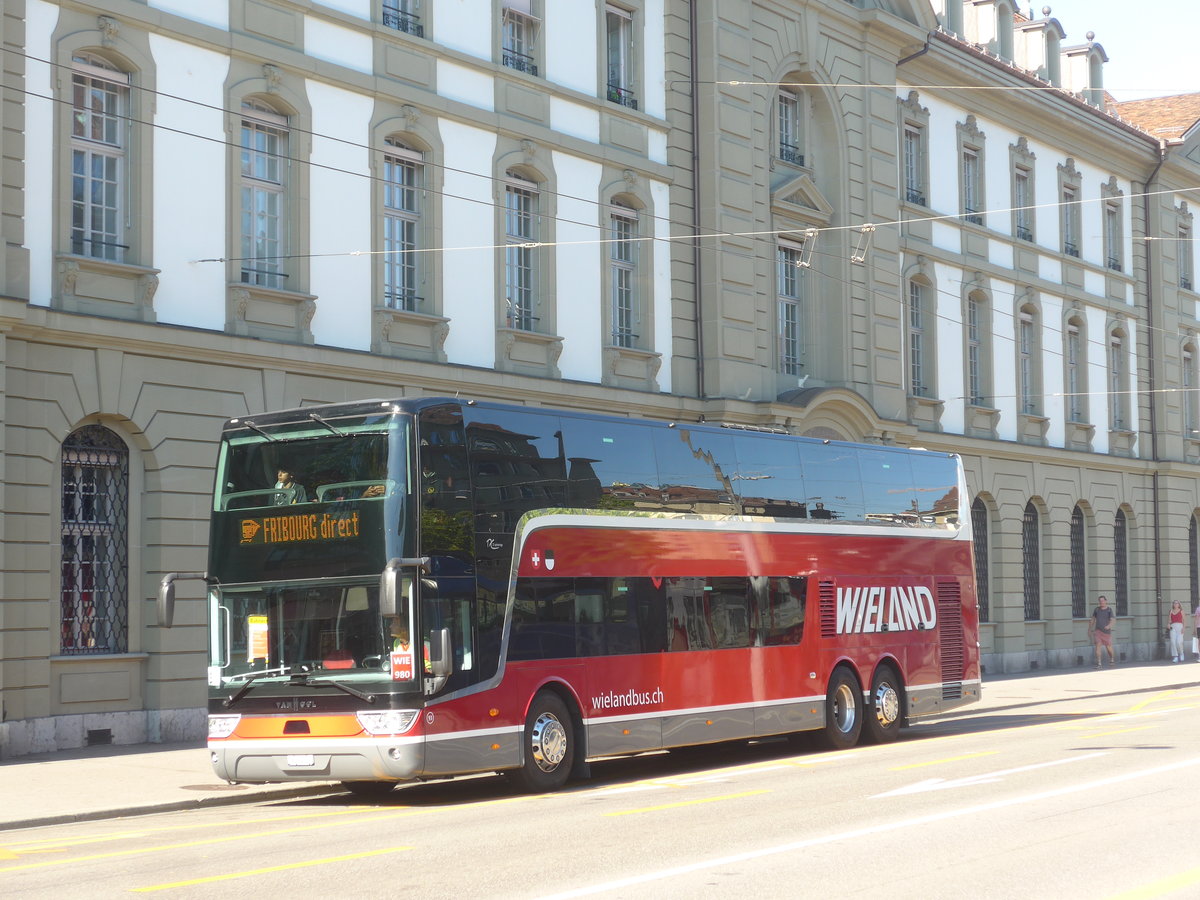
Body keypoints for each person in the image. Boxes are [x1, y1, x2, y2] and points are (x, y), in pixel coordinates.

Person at [1088, 595, 1116, 668]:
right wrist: (1089, 629)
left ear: (1106, 601)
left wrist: (1109, 626)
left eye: (1103, 601)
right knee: (1098, 646)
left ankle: (1112, 659)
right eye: (1100, 601)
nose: (1101, 602)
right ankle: (1099, 664)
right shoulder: (1096, 610)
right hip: (1098, 631)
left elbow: (1113, 620)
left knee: (1108, 647)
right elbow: (1093, 620)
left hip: (1106, 632)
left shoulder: (1109, 610)